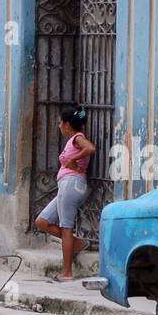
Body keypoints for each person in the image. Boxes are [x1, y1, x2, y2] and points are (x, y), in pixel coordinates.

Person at [34, 104, 94, 280]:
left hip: (72, 183)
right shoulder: (72, 140)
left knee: (66, 227)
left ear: (67, 124)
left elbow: (90, 148)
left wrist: (72, 159)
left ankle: (66, 273)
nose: (59, 126)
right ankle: (77, 244)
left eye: (60, 122)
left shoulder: (77, 138)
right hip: (67, 184)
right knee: (42, 221)